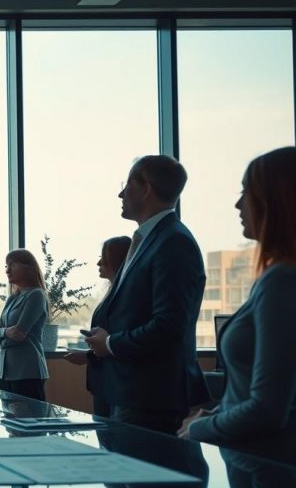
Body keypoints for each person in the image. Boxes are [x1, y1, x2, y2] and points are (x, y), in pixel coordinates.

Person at [183, 147, 296, 464]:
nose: (237, 205)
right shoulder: (276, 278)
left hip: (268, 470)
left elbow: (268, 409)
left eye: (246, 193)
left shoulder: (281, 281)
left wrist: (198, 429)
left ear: (275, 201)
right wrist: (217, 413)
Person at [84, 155, 209, 434]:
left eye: (127, 184)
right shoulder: (149, 240)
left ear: (146, 189)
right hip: (131, 392)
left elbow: (168, 325)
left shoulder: (174, 242)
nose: (120, 194)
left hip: (150, 396)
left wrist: (111, 343)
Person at [64, 235, 131, 417]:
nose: (98, 262)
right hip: (104, 382)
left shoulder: (124, 295)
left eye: (104, 257)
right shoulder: (112, 291)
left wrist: (88, 356)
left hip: (115, 384)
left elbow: (119, 341)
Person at [0, 249, 49, 401]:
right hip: (5, 372)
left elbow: (18, 335)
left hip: (27, 372)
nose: (7, 270)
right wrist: (6, 332)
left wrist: (1, 336)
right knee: (7, 415)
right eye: (6, 266)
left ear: (28, 267)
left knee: (29, 415)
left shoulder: (36, 295)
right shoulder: (12, 299)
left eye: (12, 265)